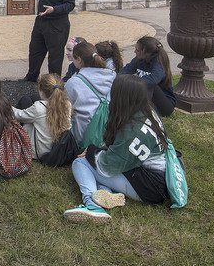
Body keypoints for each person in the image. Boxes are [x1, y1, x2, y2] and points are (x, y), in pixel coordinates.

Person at [64, 75, 172, 223]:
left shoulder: (132, 130)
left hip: (151, 187)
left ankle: (92, 204)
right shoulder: (148, 111)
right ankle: (105, 194)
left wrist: (90, 151)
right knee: (97, 168)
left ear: (121, 96)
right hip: (159, 179)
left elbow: (107, 166)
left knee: (81, 163)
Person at [8, 0, 76, 81]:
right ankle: (31, 77)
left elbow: (70, 5)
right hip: (41, 21)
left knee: (55, 56)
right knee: (35, 51)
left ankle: (53, 82)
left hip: (58, 25)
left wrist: (54, 9)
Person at [64, 41, 116, 150]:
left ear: (79, 60)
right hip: (109, 134)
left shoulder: (74, 82)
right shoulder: (113, 76)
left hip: (82, 138)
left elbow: (64, 109)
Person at [12, 73, 71, 159]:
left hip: (40, 153)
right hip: (59, 149)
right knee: (28, 100)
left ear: (41, 91)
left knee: (25, 102)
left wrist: (7, 106)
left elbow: (18, 115)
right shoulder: (67, 104)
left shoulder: (38, 107)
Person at [121, 36, 176, 117]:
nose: (134, 51)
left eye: (137, 50)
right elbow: (125, 71)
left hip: (164, 105)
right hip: (148, 101)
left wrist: (132, 82)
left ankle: (145, 112)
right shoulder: (138, 59)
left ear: (144, 52)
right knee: (132, 83)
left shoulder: (158, 63)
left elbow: (153, 80)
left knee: (149, 85)